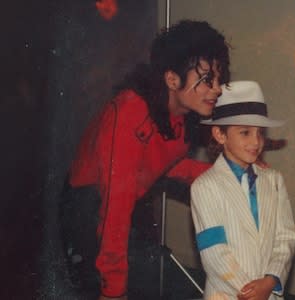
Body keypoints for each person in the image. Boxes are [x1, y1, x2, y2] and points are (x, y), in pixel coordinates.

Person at [62, 20, 231, 300]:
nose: (216, 89)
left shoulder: (180, 112)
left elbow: (162, 164)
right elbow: (114, 209)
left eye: (218, 79)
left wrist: (229, 174)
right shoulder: (130, 112)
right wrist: (113, 292)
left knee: (147, 278)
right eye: (205, 80)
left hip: (126, 201)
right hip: (89, 207)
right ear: (172, 79)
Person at [190, 81, 295, 300]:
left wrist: (270, 281)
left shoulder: (274, 181)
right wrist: (251, 293)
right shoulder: (205, 186)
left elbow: (286, 237)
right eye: (245, 133)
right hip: (229, 294)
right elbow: (214, 253)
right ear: (220, 135)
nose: (255, 142)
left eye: (260, 133)